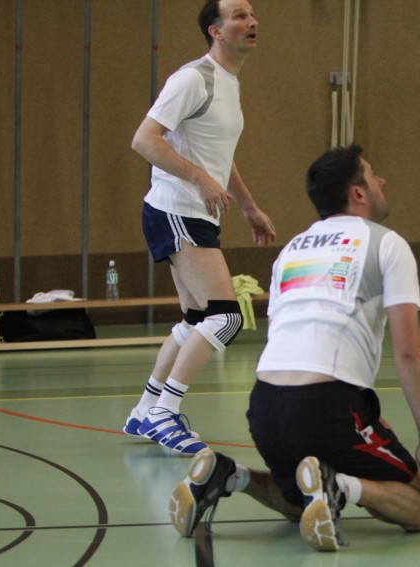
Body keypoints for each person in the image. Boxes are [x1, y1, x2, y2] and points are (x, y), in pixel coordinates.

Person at [168, 145, 420, 552]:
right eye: (373, 175)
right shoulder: (386, 244)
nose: (382, 181)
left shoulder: (293, 249)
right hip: (325, 402)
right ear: (358, 193)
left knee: (302, 501)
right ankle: (340, 485)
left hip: (265, 406)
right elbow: (408, 351)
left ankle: (229, 476)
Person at [124, 0, 277, 455]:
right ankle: (164, 413)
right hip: (176, 208)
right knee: (225, 317)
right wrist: (199, 179)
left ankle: (144, 409)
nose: (251, 21)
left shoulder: (229, 82)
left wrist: (248, 206)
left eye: (252, 14)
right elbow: (144, 139)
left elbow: (219, 156)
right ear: (215, 30)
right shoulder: (193, 78)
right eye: (239, 16)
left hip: (195, 212)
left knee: (195, 319)